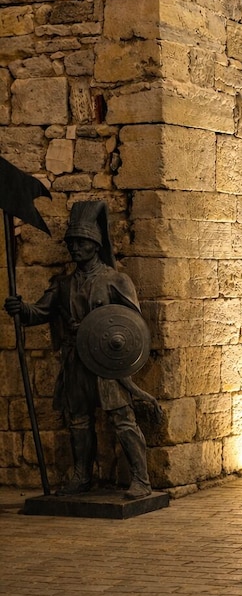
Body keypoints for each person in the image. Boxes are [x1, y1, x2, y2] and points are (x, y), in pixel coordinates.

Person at [4, 201, 153, 499]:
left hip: (106, 362)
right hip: (76, 361)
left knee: (123, 419)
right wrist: (21, 309)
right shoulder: (63, 284)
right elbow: (40, 312)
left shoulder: (115, 280)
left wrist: (98, 330)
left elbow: (133, 325)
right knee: (79, 421)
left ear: (95, 245)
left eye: (81, 242)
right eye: (71, 243)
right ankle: (82, 477)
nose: (75, 248)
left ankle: (141, 479)